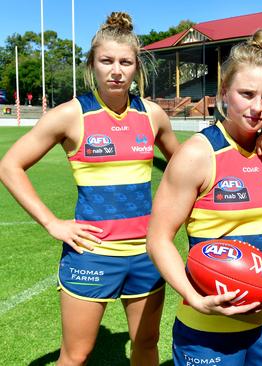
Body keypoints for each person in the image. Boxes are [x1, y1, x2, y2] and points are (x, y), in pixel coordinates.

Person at [0, 12, 179, 366]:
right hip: (91, 254)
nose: (116, 70)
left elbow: (186, 164)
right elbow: (10, 165)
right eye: (106, 61)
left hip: (146, 254)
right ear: (92, 65)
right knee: (77, 355)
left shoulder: (153, 115)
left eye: (125, 62)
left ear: (136, 67)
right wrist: (53, 223)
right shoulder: (71, 115)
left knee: (146, 344)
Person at [146, 28, 262, 366]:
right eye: (246, 94)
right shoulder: (196, 155)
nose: (257, 108)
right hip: (207, 328)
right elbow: (158, 238)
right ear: (224, 93)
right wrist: (192, 297)